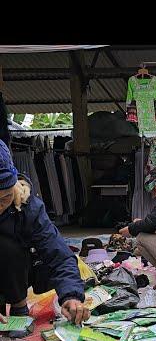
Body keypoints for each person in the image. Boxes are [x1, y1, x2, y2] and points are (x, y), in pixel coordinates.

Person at [0, 139, 89, 326]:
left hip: (14, 275)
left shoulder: (27, 206)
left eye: (6, 197)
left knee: (8, 246)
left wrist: (71, 296)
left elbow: (59, 255)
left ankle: (19, 305)